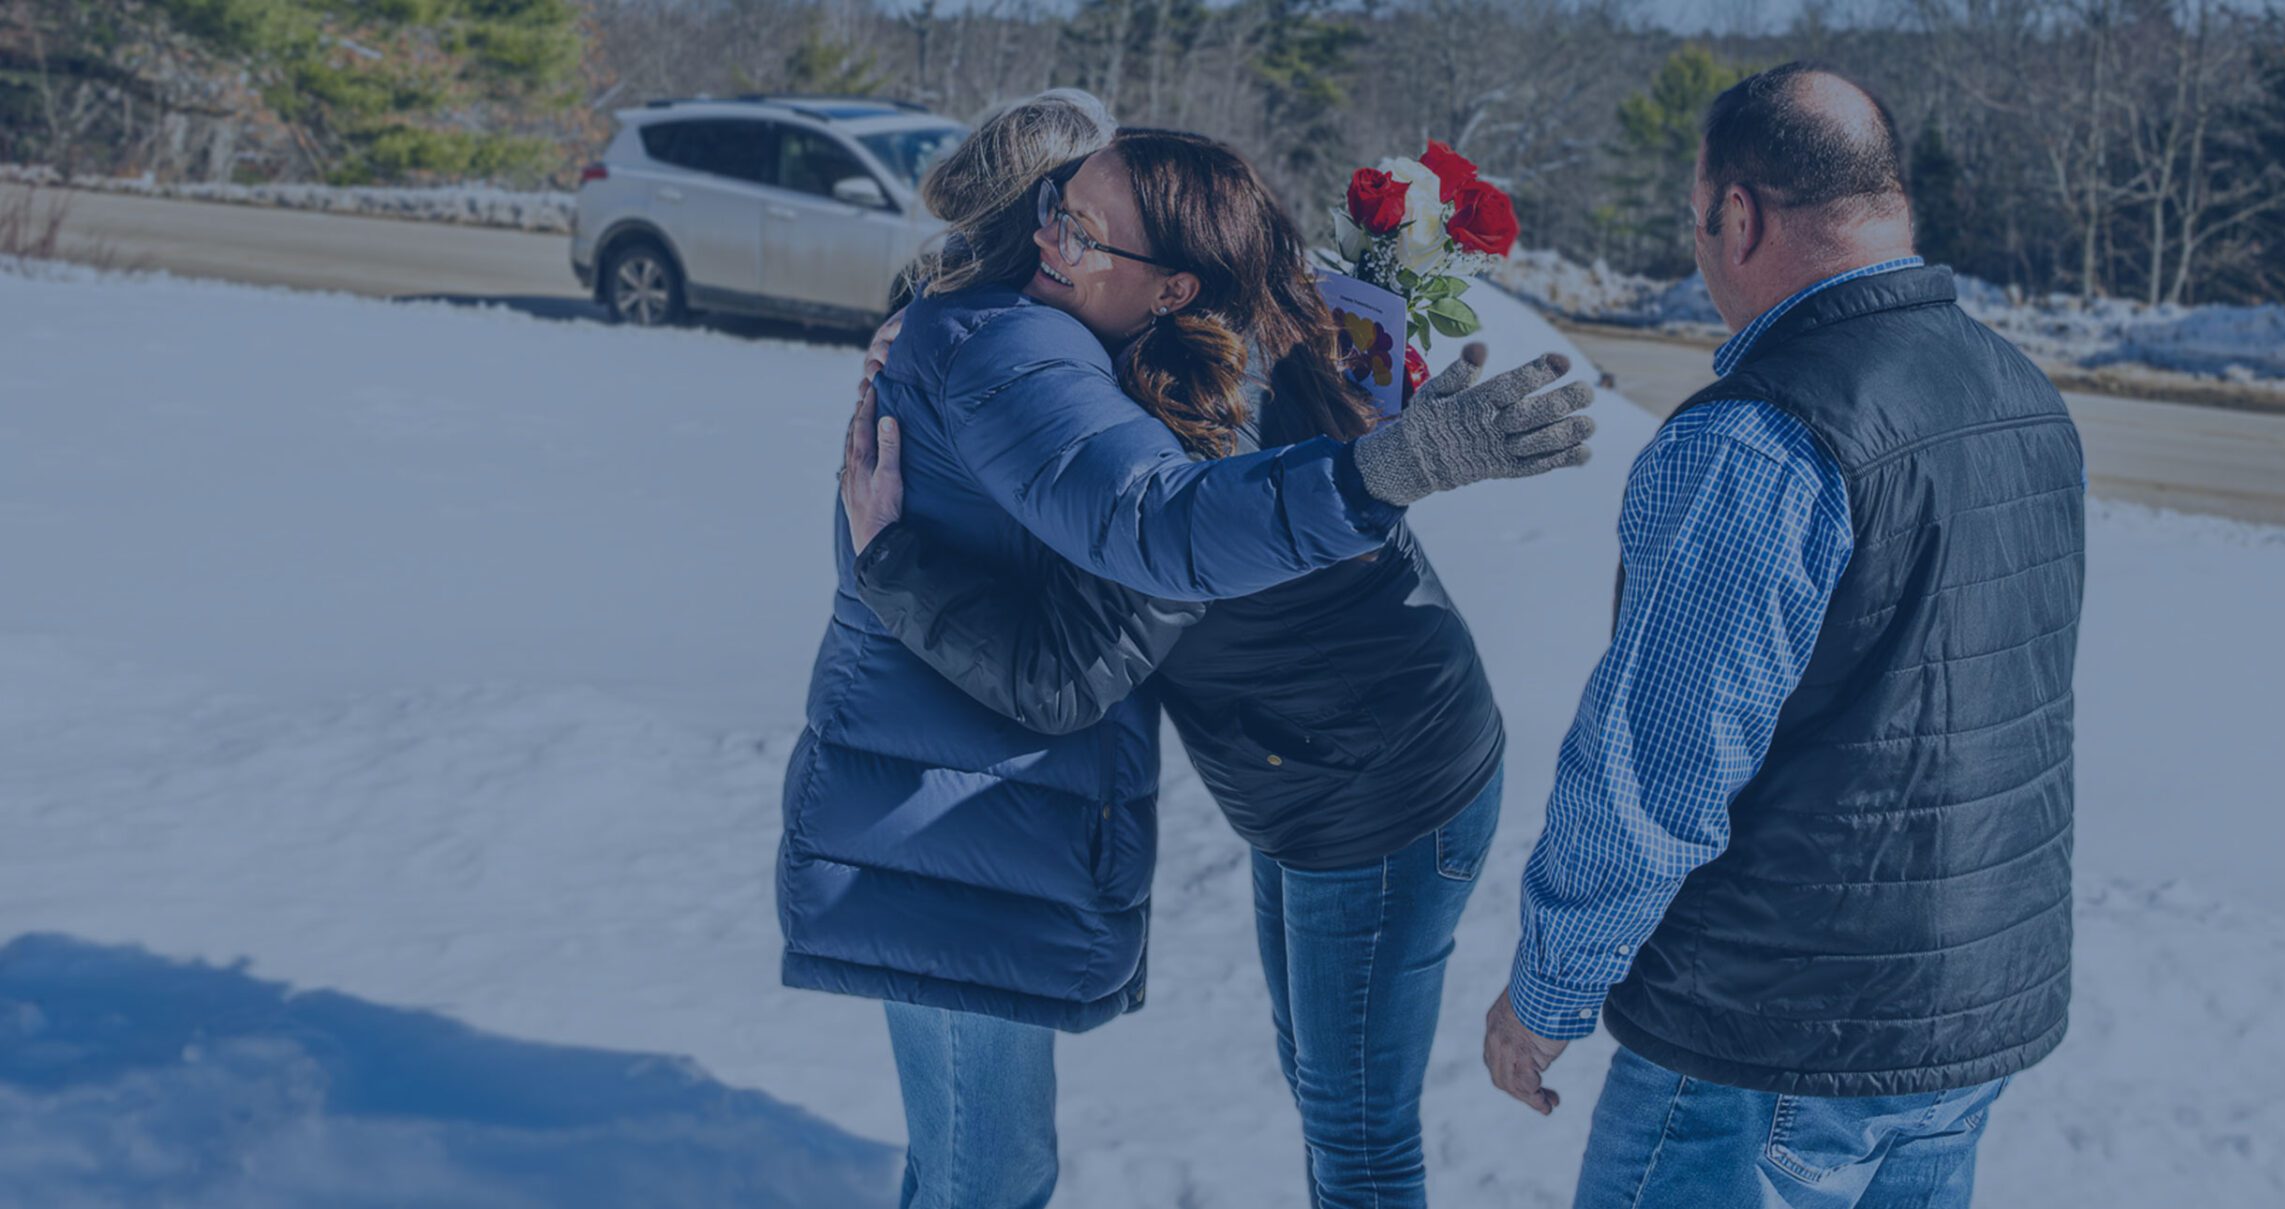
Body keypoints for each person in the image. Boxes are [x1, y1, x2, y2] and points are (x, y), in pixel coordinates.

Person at [780, 92, 1593, 1209]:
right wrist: (934, 306)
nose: (1049, 241)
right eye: (1051, 209)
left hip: (1385, 790)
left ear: (1172, 287)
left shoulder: (1197, 415)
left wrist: (892, 561)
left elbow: (1119, 585)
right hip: (1297, 773)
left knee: (1354, 1132)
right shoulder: (1133, 342)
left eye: (1079, 231)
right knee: (1322, 1090)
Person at [1478, 63, 2086, 1209]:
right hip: (1970, 1012)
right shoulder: (2020, 392)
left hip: (1765, 1035)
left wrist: (1548, 993)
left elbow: (1655, 770)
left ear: (1739, 215)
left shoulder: (1759, 439)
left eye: (1695, 222)